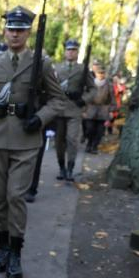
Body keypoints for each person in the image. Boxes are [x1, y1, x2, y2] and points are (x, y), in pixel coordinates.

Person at [0, 5, 66, 278]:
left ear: (28, 32)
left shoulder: (42, 63)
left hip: (26, 140)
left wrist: (39, 119)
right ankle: (2, 247)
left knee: (16, 196)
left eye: (20, 30)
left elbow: (58, 100)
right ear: (4, 31)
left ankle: (16, 252)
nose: (15, 34)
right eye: (11, 29)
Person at [52, 39, 93, 181]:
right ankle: (61, 168)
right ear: (65, 52)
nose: (71, 52)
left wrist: (84, 99)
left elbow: (93, 89)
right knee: (58, 141)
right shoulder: (56, 68)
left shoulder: (83, 69)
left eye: (74, 50)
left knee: (72, 140)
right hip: (58, 109)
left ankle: (70, 168)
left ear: (77, 52)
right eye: (69, 50)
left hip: (74, 109)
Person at [82, 61, 115, 154]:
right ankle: (89, 143)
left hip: (103, 111)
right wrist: (83, 110)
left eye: (103, 73)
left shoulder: (109, 85)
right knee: (89, 129)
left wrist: (111, 111)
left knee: (100, 131)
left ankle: (94, 146)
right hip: (90, 110)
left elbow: (112, 99)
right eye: (99, 73)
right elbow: (85, 97)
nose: (101, 74)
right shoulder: (90, 84)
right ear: (95, 73)